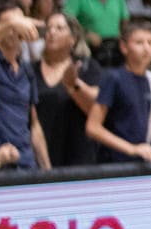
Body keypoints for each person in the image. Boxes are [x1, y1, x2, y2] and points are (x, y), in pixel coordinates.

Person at [86, 18, 151, 163]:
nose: (146, 48)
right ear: (124, 47)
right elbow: (93, 127)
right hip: (114, 165)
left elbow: (149, 120)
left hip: (142, 162)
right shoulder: (114, 78)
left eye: (150, 42)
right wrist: (131, 148)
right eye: (139, 43)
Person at [34, 13, 101, 167]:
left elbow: (95, 109)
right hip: (40, 156)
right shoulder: (32, 70)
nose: (52, 32)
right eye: (49, 28)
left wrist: (74, 85)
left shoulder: (87, 67)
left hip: (78, 156)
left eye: (59, 28)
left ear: (73, 39)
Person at [0, 1, 47, 170]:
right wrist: (10, 23)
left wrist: (47, 168)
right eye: (9, 26)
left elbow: (34, 124)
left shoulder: (27, 70)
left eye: (20, 24)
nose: (16, 30)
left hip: (26, 161)